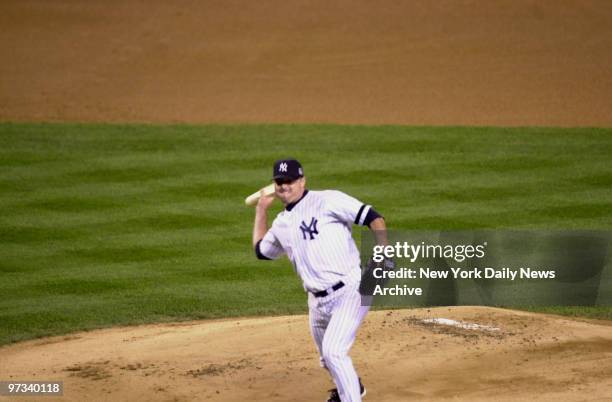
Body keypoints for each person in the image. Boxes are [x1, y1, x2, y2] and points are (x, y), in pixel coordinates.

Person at [252, 158, 389, 402]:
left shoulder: (328, 200)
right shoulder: (281, 223)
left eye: (290, 181)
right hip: (317, 302)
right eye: (279, 182)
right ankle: (352, 388)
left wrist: (383, 255)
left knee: (334, 352)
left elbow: (373, 217)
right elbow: (261, 251)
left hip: (351, 289)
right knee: (327, 359)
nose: (284, 186)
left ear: (302, 181)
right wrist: (261, 210)